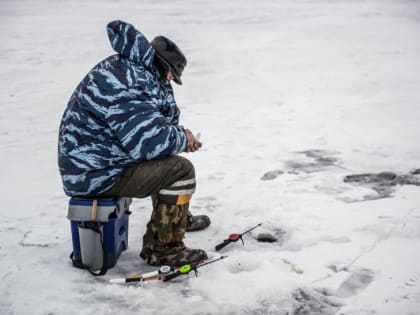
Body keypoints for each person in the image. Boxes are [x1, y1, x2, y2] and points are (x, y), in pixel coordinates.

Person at [58, 20, 210, 267]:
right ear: (164, 67)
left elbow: (150, 125)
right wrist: (183, 138)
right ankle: (164, 248)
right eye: (172, 74)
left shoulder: (132, 70)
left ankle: (176, 219)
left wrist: (177, 134)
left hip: (97, 163)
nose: (170, 80)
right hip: (94, 173)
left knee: (165, 161)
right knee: (180, 170)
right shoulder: (131, 80)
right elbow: (147, 143)